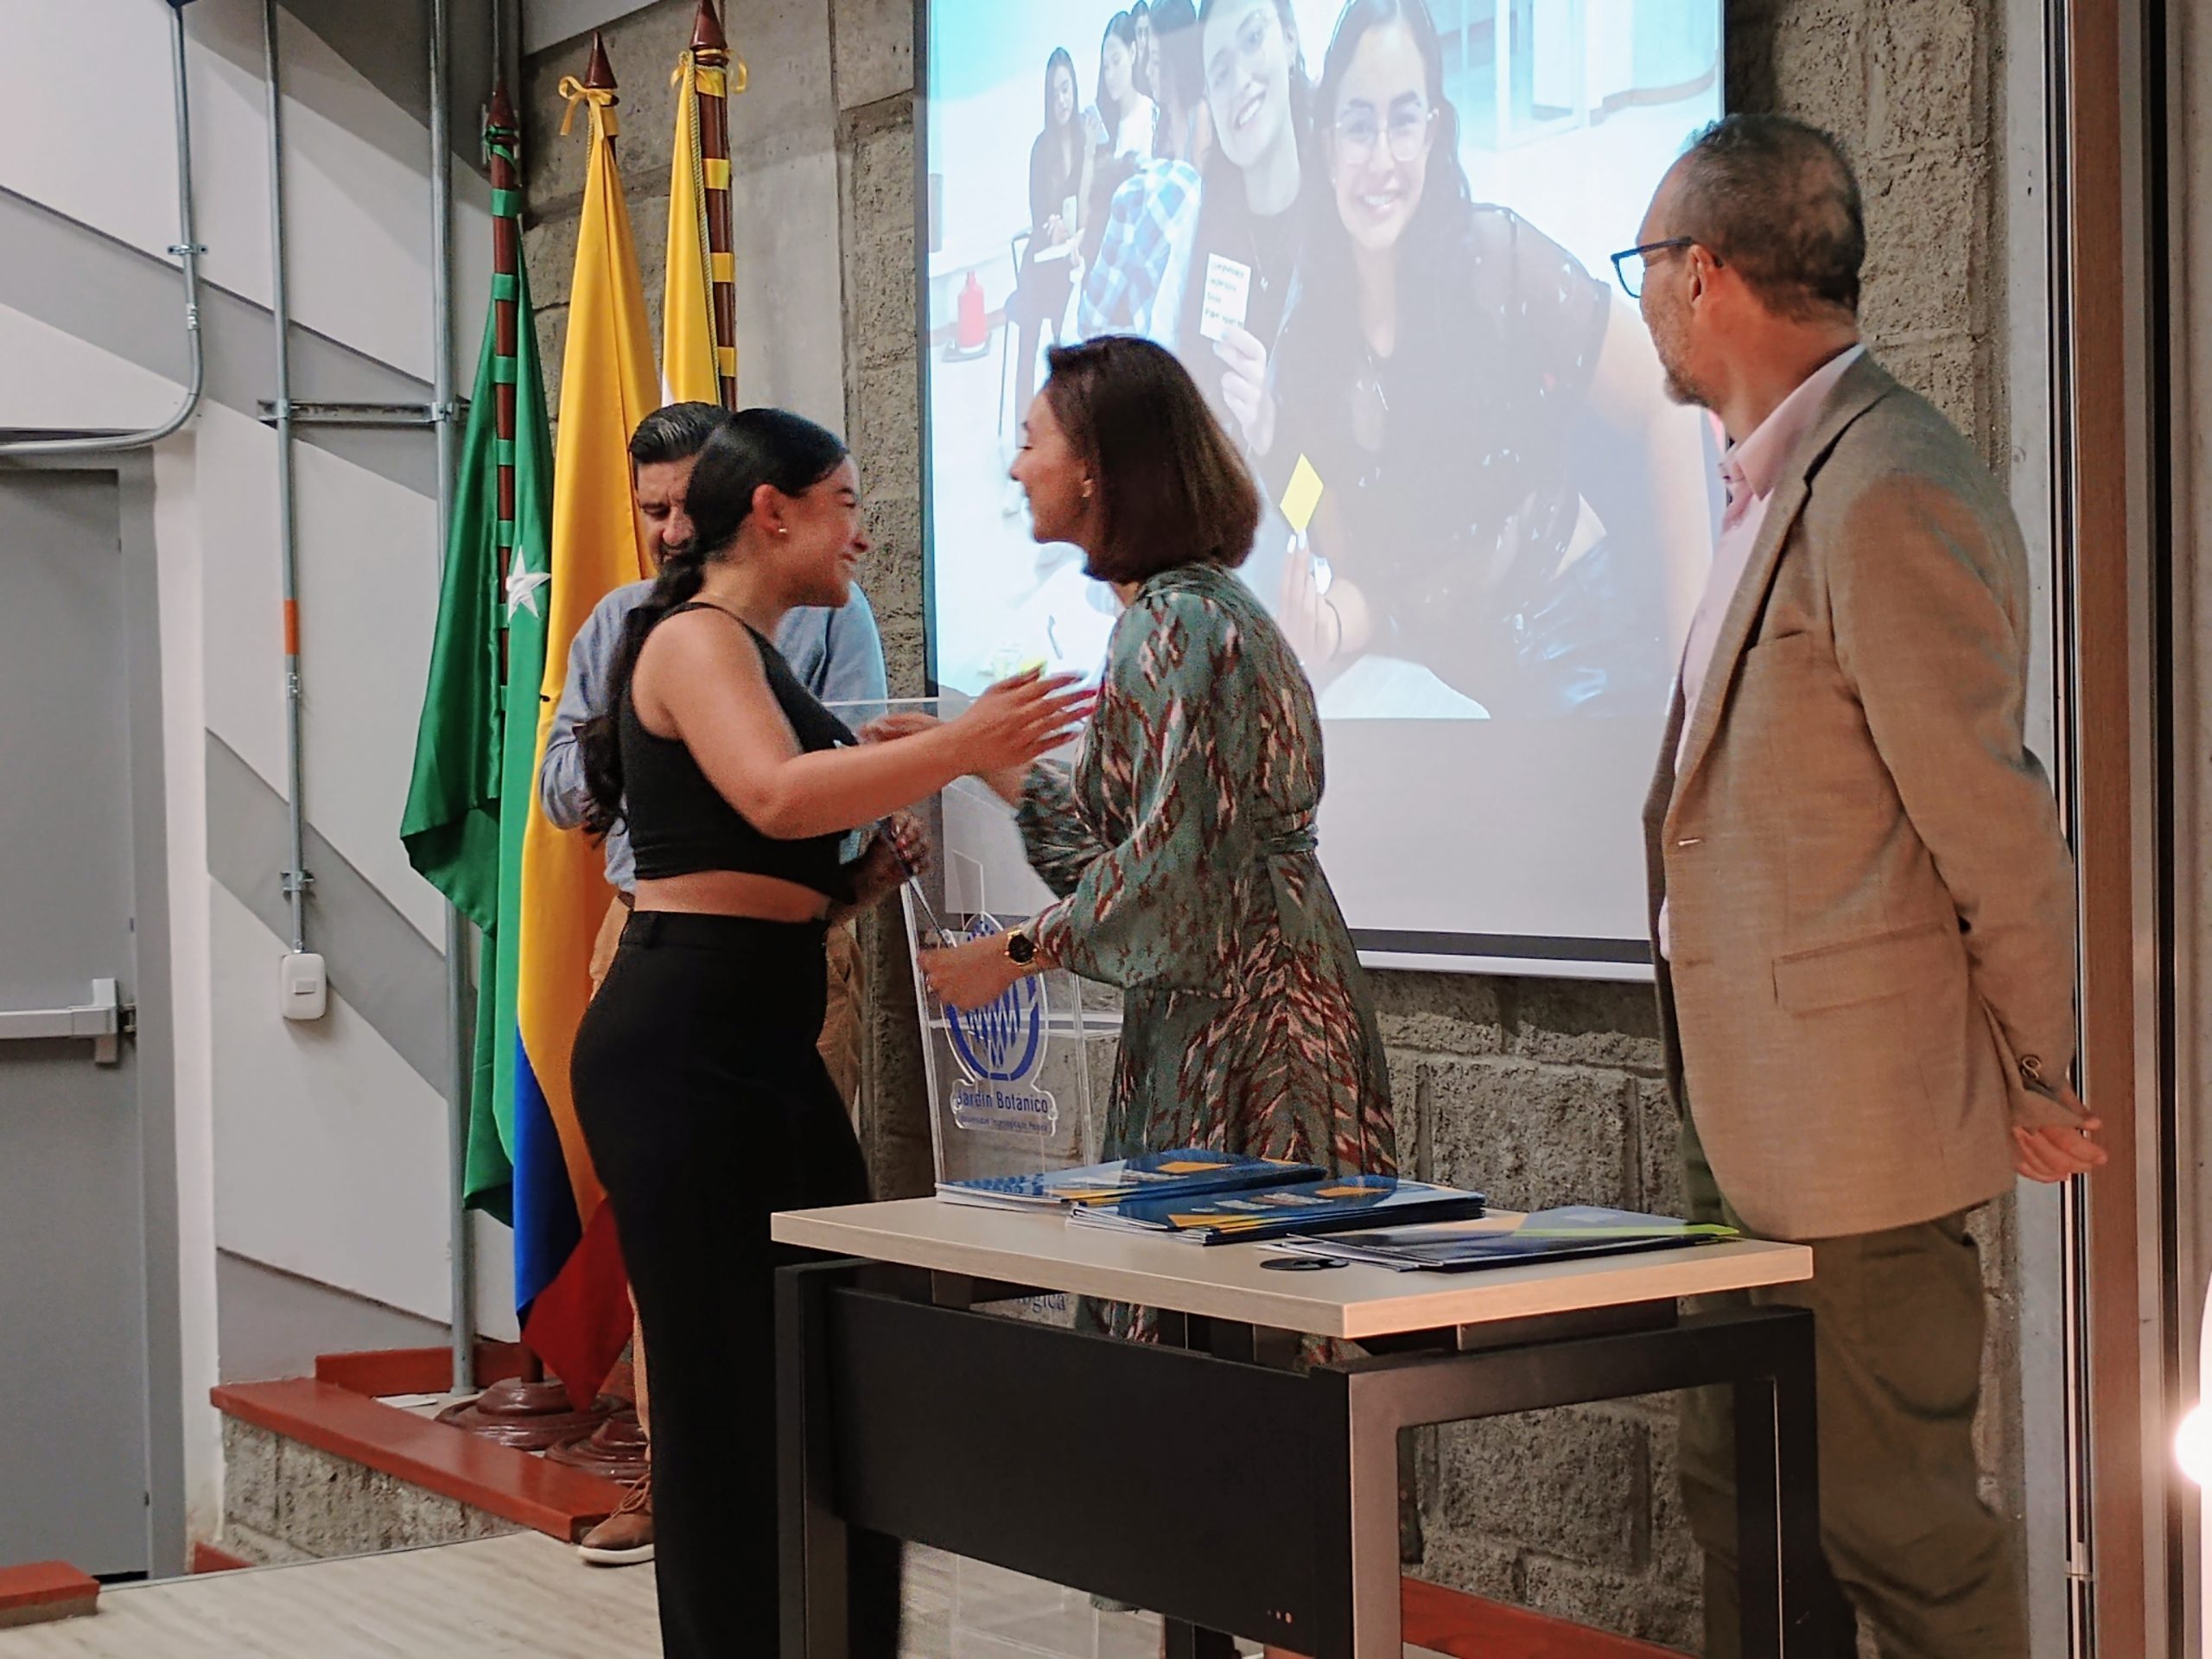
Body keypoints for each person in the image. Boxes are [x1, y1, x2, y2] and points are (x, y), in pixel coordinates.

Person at [1628, 115, 2102, 1656]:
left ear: (1708, 275)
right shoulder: (1772, 484)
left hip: (1861, 1139)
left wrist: (2036, 1063)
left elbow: (1992, 824)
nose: (1638, 298)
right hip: (1749, 1121)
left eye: (1642, 264)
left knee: (1899, 1532)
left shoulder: (1888, 480)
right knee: (1747, 1520)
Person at [569, 408, 1089, 1659]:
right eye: (848, 501)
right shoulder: (691, 637)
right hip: (683, 1041)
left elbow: (769, 836)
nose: (865, 529)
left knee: (830, 1348)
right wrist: (963, 745)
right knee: (721, 1389)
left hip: (752, 1030)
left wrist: (847, 889)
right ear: (775, 513)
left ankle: (838, 1637)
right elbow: (772, 793)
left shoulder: (759, 648)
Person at [918, 335, 1394, 1283]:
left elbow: (1173, 872)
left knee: (1250, 1335)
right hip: (1216, 1007)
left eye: (1029, 441)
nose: (1015, 468)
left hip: (1259, 1032)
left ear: (1094, 470)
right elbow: (1117, 853)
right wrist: (981, 761)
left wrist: (1012, 955)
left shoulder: (1181, 625)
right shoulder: (1179, 613)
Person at [540, 402, 888, 1567]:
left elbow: (836, 776)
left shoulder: (813, 623)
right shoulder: (657, 632)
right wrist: (671, 780)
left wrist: (865, 834)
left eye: (688, 505)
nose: (670, 529)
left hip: (782, 964)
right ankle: (674, 1485)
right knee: (705, 1322)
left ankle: (806, 1580)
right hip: (664, 955)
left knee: (808, 1312)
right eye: (652, 512)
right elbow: (768, 792)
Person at [1258, 0, 1708, 715]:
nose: (1382, 159)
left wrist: (1699, 675)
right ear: (1324, 140)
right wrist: (1328, 624)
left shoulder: (1493, 259)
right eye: (1358, 124)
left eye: (1404, 120)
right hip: (1461, 691)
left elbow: (1667, 398)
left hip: (1581, 642)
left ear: (1434, 131)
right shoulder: (1310, 347)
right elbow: (1367, 578)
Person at [1177, 0, 1313, 449]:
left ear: (1289, 39)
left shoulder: (1343, 215)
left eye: (1253, 39)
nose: (1239, 83)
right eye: (1219, 73)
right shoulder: (1197, 236)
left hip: (1318, 511)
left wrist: (1272, 437)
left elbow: (1336, 502)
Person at [1077, 0, 1211, 345]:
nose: (1147, 70)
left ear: (1173, 60)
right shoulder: (1162, 123)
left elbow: (1195, 220)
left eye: (1153, 59)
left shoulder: (1201, 118)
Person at [1008, 49, 1095, 429]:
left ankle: (1068, 424)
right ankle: (1022, 428)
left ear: (1074, 90)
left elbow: (1090, 201)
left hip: (1069, 260)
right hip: (1038, 263)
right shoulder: (1040, 148)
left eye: (1066, 90)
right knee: (1030, 331)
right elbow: (1037, 214)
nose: (1061, 100)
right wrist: (1051, 225)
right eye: (1054, 93)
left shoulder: (1085, 139)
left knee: (1069, 334)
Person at [1090, 11, 1157, 164]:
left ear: (1132, 53)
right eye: (1106, 67)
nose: (1110, 75)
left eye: (1116, 61)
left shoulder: (1150, 112)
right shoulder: (1106, 122)